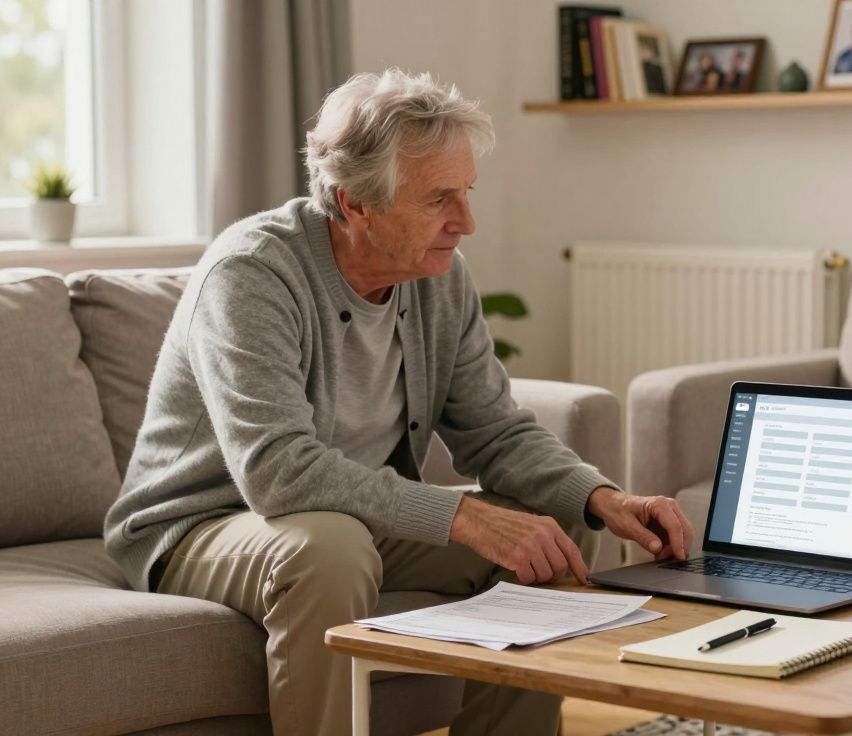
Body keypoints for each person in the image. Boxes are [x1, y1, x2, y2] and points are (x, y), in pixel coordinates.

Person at [103, 68, 694, 736]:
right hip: (203, 523)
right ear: (356, 202)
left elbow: (495, 431)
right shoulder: (251, 274)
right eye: (440, 198)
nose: (466, 222)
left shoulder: (438, 279)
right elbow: (278, 472)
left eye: (467, 192)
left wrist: (602, 498)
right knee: (328, 547)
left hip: (353, 516)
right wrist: (459, 516)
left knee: (552, 526)